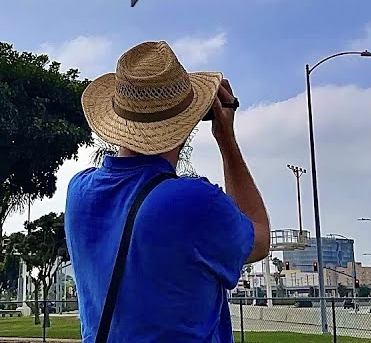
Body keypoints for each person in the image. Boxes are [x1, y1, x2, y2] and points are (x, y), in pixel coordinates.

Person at [65, 41, 271, 343]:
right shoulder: (194, 202)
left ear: (118, 117)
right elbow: (260, 241)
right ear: (189, 121)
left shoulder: (78, 192)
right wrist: (227, 139)